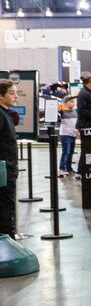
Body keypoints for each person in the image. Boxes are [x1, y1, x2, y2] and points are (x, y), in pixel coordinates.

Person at [0, 80, 20, 238]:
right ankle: (7, 238)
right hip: (4, 170)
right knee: (5, 206)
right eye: (11, 93)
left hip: (9, 169)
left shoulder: (6, 114)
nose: (16, 97)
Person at [58, 94, 78, 176]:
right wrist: (63, 105)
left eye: (73, 102)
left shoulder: (75, 111)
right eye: (70, 102)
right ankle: (62, 168)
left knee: (71, 152)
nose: (72, 104)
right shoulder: (62, 111)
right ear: (65, 103)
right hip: (65, 135)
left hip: (73, 135)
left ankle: (69, 168)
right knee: (66, 152)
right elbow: (57, 108)